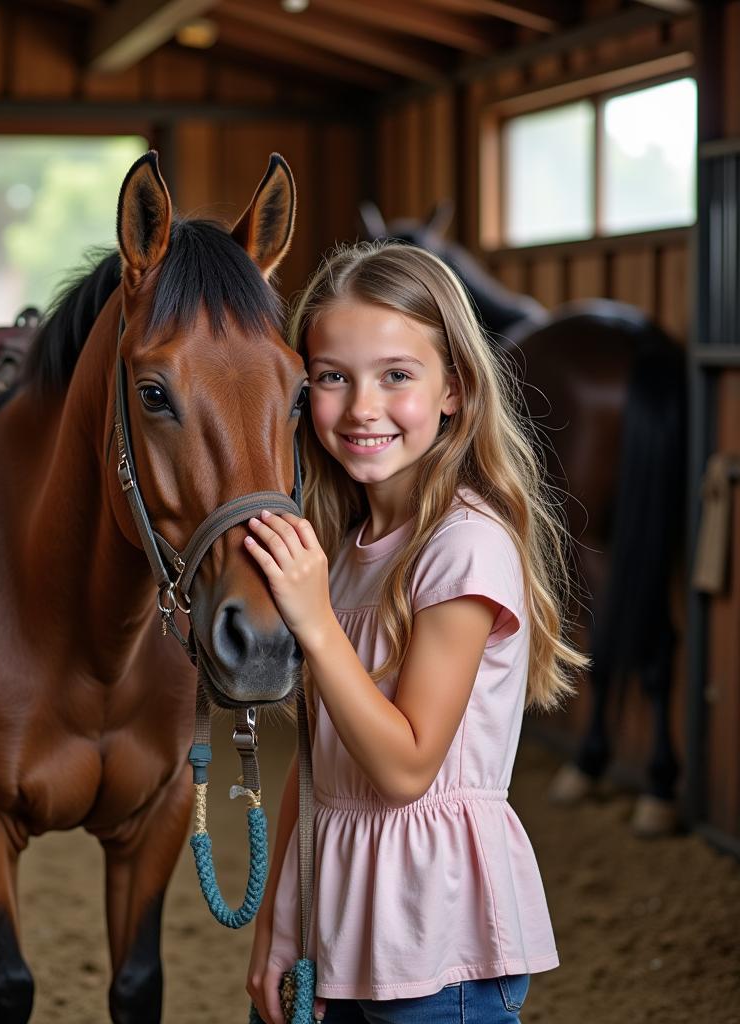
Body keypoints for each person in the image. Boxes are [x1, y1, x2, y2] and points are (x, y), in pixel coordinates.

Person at [244, 241, 586, 1024]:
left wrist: (315, 621)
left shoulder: (464, 546)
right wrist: (279, 929)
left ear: (454, 390)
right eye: (333, 377)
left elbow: (404, 771)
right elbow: (322, 757)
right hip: (341, 936)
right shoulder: (337, 548)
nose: (363, 406)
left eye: (397, 375)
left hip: (439, 949)